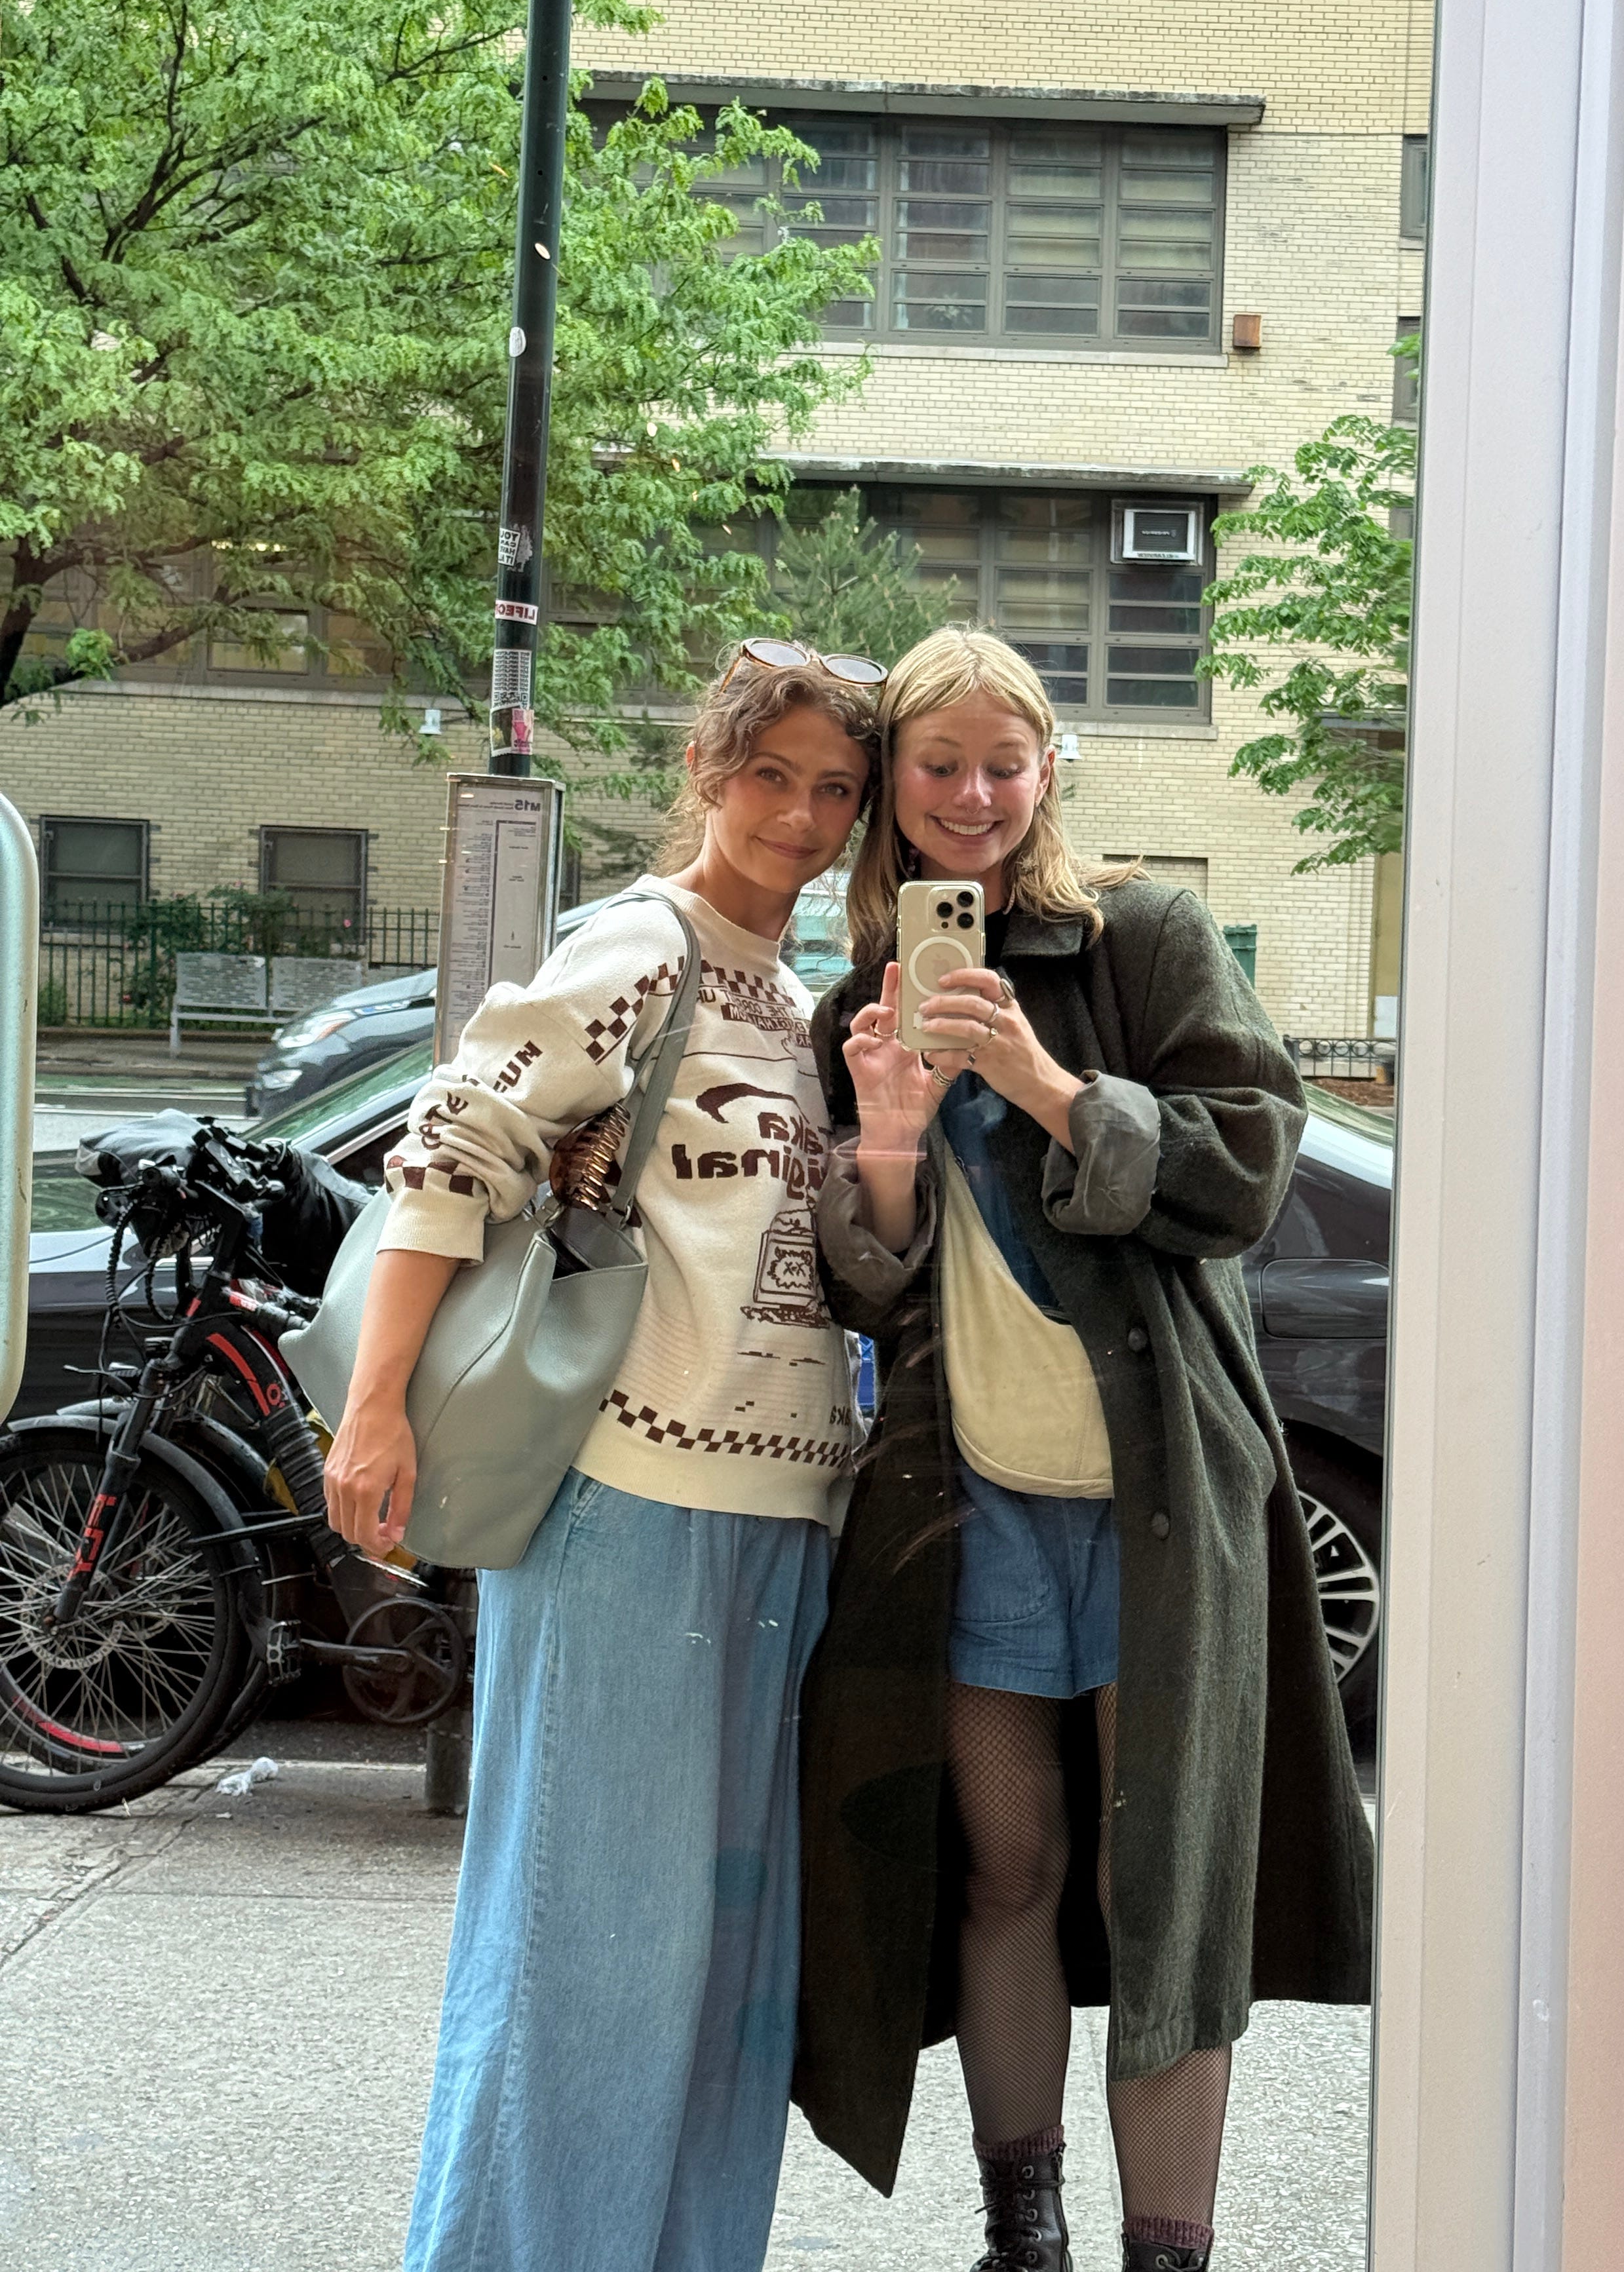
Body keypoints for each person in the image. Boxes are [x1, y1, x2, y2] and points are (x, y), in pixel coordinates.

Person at [794, 629, 1374, 2272]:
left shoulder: (1147, 936)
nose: (974, 795)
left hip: (1159, 1499)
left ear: (1049, 769)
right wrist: (890, 1144)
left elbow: (1248, 1166)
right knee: (1007, 1873)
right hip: (974, 1505)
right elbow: (868, 1286)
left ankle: (1167, 2250)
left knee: (1160, 1892)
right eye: (940, 765)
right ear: (894, 786)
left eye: (1006, 763)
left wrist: (1043, 1082)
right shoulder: (861, 997)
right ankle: (1023, 2233)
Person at [323, 643, 883, 2272]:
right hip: (630, 1503)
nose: (800, 816)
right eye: (770, 774)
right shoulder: (644, 947)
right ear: (706, 769)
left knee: (725, 1983)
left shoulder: (808, 995)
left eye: (834, 789)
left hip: (790, 1514)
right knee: (583, 1951)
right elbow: (456, 1141)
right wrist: (375, 1405)